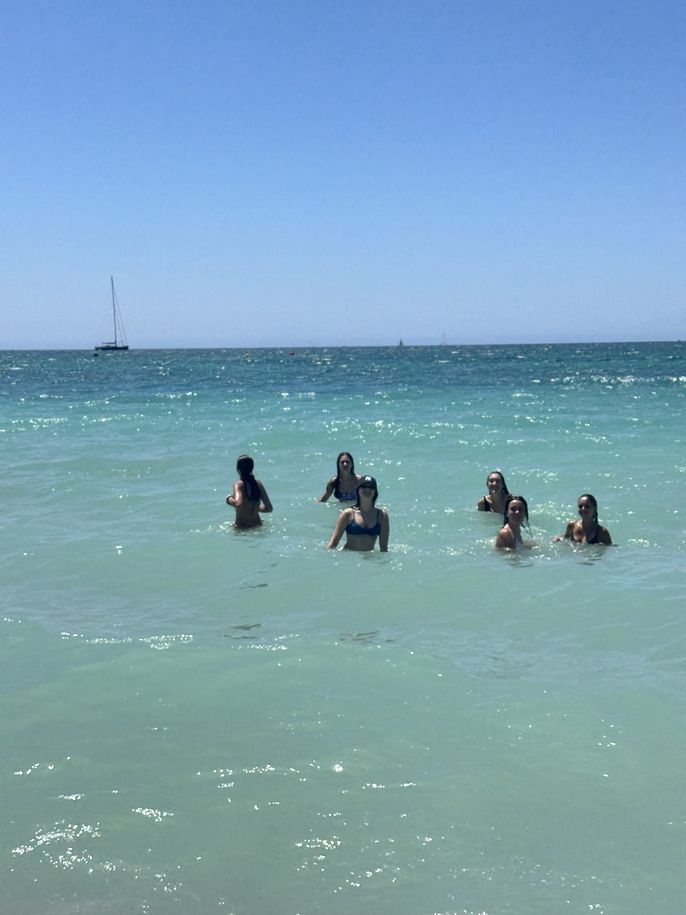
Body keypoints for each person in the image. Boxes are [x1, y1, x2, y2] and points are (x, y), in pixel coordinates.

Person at [327, 476, 389, 552]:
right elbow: (333, 543)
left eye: (371, 487)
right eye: (364, 487)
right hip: (349, 557)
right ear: (358, 490)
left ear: (375, 491)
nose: (367, 489)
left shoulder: (382, 515)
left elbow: (384, 548)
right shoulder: (348, 514)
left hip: (369, 560)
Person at [226, 454, 273, 529]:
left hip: (242, 528)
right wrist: (256, 508)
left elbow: (238, 504)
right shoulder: (258, 484)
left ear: (238, 469)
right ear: (252, 468)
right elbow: (269, 508)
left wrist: (229, 499)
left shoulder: (238, 484)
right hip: (257, 525)